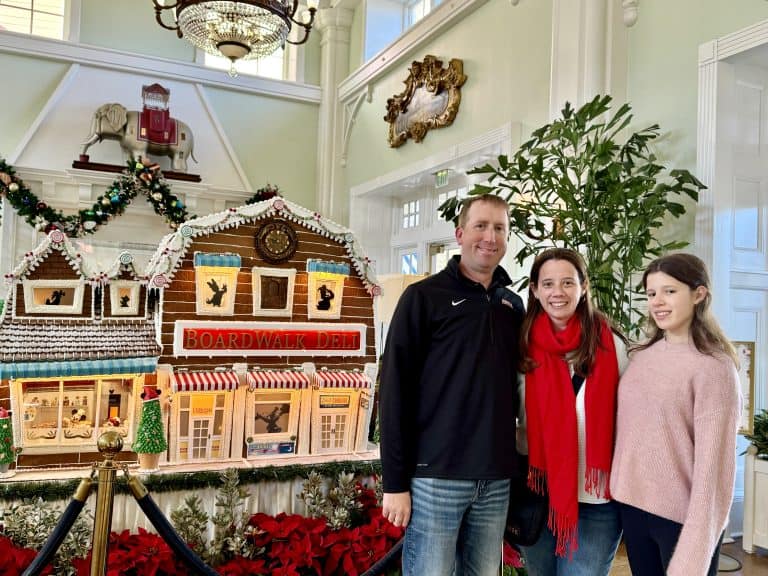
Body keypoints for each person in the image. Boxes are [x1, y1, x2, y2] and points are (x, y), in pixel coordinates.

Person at [379, 194, 524, 576]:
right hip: (435, 478)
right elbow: (394, 393)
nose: (490, 237)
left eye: (500, 228)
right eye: (481, 226)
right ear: (460, 234)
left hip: (495, 479)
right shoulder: (422, 298)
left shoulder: (513, 306)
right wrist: (394, 483)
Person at [610, 253, 741, 576]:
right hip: (633, 508)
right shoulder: (640, 357)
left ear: (699, 294)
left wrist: (694, 550)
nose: (658, 302)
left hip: (683, 519)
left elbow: (714, 475)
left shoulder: (714, 368)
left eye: (670, 291)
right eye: (652, 293)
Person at [517, 247, 627, 576]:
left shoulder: (611, 344)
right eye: (548, 284)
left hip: (597, 502)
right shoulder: (521, 347)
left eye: (568, 282)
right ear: (535, 290)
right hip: (537, 495)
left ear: (583, 287)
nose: (558, 292)